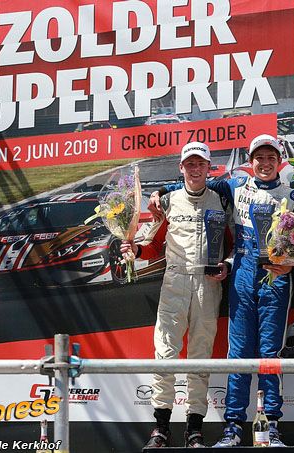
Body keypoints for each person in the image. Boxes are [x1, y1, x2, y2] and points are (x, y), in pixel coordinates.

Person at [149, 134, 294, 447]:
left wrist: (291, 265)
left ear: (280, 161)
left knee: (270, 355)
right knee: (238, 354)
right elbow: (194, 184)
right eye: (259, 158)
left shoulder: (293, 196)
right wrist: (160, 191)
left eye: (271, 158)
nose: (265, 163)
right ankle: (233, 427)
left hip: (275, 280)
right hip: (242, 276)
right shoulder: (235, 186)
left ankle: (271, 427)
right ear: (250, 161)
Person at [122, 142, 232, 448]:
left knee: (201, 356)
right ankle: (160, 428)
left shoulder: (222, 201)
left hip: (208, 284)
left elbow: (235, 244)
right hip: (174, 282)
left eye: (201, 164)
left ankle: (194, 429)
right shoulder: (167, 201)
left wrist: (227, 264)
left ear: (209, 168)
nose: (195, 169)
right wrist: (135, 250)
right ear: (181, 168)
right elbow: (153, 246)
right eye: (190, 164)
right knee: (165, 354)